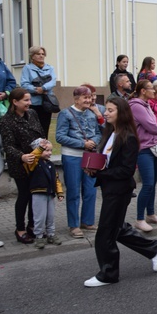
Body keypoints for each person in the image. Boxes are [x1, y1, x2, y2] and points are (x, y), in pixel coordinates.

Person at [83, 97, 157, 287]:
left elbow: (127, 171)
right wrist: (94, 167)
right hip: (109, 188)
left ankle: (108, 274)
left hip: (120, 190)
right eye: (107, 110)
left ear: (121, 112)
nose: (106, 113)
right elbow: (108, 161)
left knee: (105, 232)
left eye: (110, 110)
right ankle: (153, 248)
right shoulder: (110, 132)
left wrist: (102, 173)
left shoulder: (128, 137)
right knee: (117, 228)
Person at [0, 88, 45, 244]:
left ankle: (33, 227)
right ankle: (20, 229)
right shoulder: (6, 121)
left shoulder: (32, 114)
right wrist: (22, 156)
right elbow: (8, 146)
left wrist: (44, 147)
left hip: (36, 161)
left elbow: (40, 134)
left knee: (36, 195)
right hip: (20, 165)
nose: (29, 103)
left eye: (30, 100)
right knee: (24, 195)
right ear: (15, 101)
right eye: (26, 100)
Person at [56, 86, 102, 238]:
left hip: (90, 156)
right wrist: (82, 144)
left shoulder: (91, 114)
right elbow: (60, 136)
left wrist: (93, 142)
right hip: (72, 156)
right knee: (74, 191)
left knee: (90, 190)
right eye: (85, 98)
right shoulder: (65, 114)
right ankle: (74, 225)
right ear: (76, 99)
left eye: (89, 97)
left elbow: (97, 133)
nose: (89, 100)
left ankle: (87, 221)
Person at [129, 79, 157, 232]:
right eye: (151, 88)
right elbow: (150, 126)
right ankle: (139, 219)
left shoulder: (147, 105)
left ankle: (150, 214)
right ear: (143, 91)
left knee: (152, 184)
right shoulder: (136, 106)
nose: (154, 91)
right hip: (145, 149)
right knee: (147, 184)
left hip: (156, 148)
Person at [29, 139, 64, 249]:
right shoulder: (34, 162)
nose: (49, 153)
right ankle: (39, 236)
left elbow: (56, 180)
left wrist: (59, 192)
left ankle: (51, 234)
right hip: (38, 193)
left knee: (51, 216)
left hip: (50, 194)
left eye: (50, 150)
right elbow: (33, 156)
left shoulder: (51, 165)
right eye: (46, 150)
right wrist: (39, 149)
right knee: (40, 216)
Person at [20, 46, 57, 137]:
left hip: (47, 102)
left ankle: (44, 147)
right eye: (38, 54)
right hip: (33, 103)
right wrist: (36, 90)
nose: (41, 56)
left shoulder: (50, 68)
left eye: (43, 54)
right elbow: (24, 84)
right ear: (32, 56)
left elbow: (53, 81)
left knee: (45, 126)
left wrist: (43, 88)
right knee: (32, 127)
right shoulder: (27, 68)